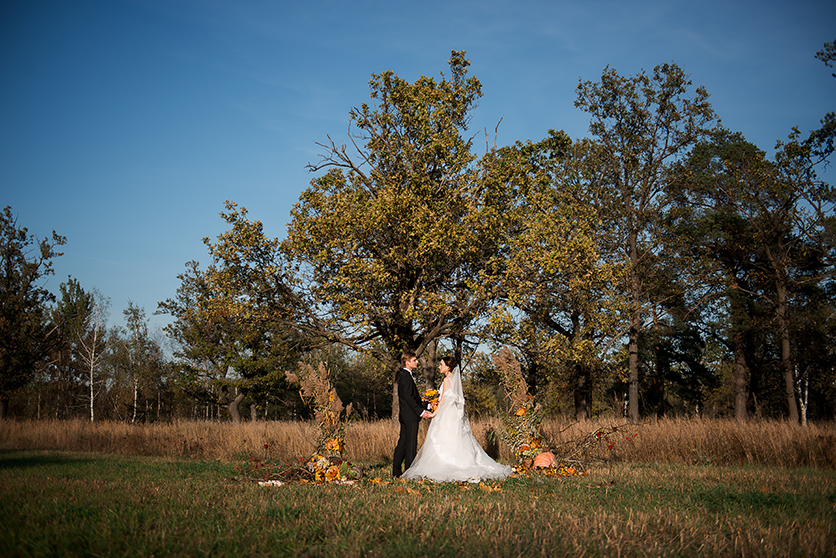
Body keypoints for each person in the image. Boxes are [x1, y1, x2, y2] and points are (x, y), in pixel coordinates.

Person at [402, 356, 512, 483]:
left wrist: (434, 413)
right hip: (453, 413)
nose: (439, 366)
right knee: (455, 437)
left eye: (441, 364)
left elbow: (443, 400)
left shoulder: (447, 380)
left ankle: (448, 464)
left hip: (446, 414)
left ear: (448, 367)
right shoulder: (454, 380)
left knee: (443, 437)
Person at [392, 351, 431, 478]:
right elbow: (409, 398)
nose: (417, 362)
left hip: (406, 416)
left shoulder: (405, 376)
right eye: (414, 360)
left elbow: (411, 398)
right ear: (407, 362)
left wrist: (426, 405)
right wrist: (421, 412)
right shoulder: (406, 377)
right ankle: (409, 472)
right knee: (410, 445)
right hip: (410, 417)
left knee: (403, 443)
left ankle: (396, 472)